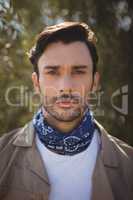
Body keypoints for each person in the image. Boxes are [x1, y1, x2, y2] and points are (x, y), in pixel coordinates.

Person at [0, 21, 133, 200]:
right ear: (36, 82)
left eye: (78, 71)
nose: (66, 87)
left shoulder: (128, 165)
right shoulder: (3, 156)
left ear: (94, 82)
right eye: (53, 72)